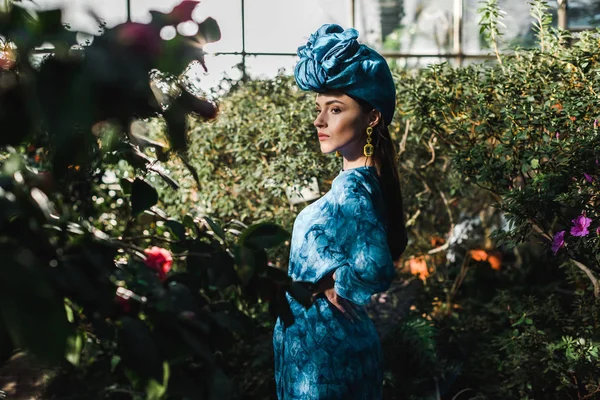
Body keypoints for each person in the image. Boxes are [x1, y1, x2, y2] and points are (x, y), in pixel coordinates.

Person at [272, 24, 409, 399]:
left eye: (335, 109)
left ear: (372, 117)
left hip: (323, 358)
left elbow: (377, 266)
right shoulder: (361, 181)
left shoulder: (352, 186)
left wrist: (330, 285)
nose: (320, 121)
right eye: (319, 109)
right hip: (327, 349)